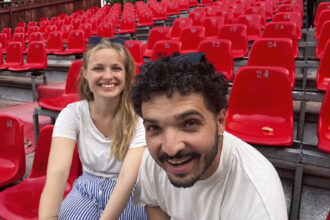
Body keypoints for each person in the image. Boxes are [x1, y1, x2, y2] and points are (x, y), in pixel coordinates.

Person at [131, 53, 288, 220]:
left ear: (220, 122)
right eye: (154, 127)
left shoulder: (258, 201)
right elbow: (155, 205)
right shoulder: (152, 161)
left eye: (190, 123)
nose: (170, 149)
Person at [39, 38, 147, 220]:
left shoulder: (139, 117)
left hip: (129, 192)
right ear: (85, 74)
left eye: (116, 68)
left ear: (127, 75)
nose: (108, 76)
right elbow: (57, 173)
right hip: (86, 187)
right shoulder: (72, 114)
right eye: (98, 68)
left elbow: (127, 178)